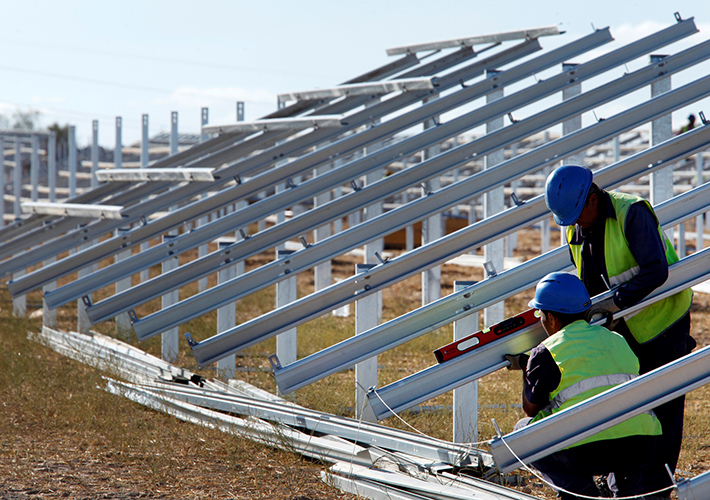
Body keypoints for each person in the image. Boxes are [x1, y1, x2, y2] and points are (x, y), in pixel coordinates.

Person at [544, 164, 695, 497]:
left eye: (577, 216)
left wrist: (614, 304)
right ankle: (623, 488)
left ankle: (655, 491)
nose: (575, 225)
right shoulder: (574, 230)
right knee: (623, 410)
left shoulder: (632, 213)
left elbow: (656, 270)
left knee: (662, 413)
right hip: (620, 335)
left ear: (593, 199)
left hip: (661, 327)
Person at [504, 272, 662, 500]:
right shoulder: (616, 338)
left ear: (551, 319)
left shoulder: (546, 351)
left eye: (540, 314)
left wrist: (528, 366)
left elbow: (531, 409)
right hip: (642, 444)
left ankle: (582, 495)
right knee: (623, 426)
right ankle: (628, 494)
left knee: (523, 431)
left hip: (588, 451)